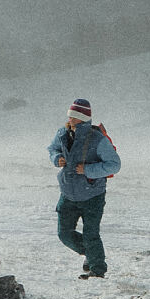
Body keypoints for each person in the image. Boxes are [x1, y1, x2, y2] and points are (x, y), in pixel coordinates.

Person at [47, 97, 121, 278]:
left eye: (74, 116)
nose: (69, 118)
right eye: (69, 115)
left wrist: (88, 170)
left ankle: (97, 271)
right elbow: (52, 149)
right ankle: (90, 253)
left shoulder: (97, 139)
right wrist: (56, 158)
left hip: (92, 196)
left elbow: (114, 165)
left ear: (83, 118)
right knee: (64, 234)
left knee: (91, 235)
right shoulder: (62, 133)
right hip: (68, 194)